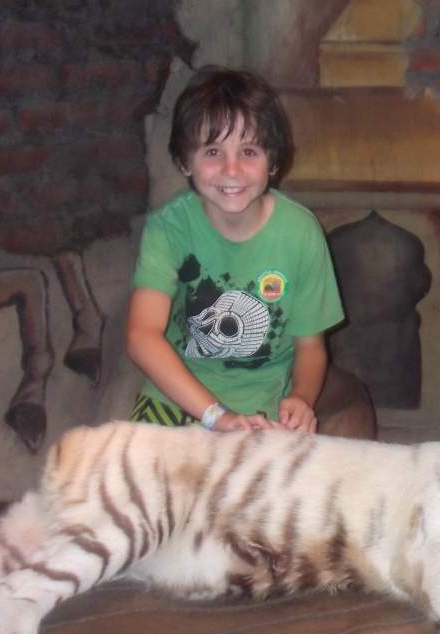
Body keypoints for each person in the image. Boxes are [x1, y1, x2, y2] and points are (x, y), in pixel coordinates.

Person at [125, 66, 344, 434]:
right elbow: (141, 335)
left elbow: (310, 346)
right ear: (184, 161)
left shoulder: (301, 233)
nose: (232, 170)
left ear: (272, 161)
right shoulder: (169, 228)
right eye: (213, 151)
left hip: (264, 408)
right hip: (176, 398)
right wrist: (215, 416)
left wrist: (302, 399)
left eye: (249, 150)